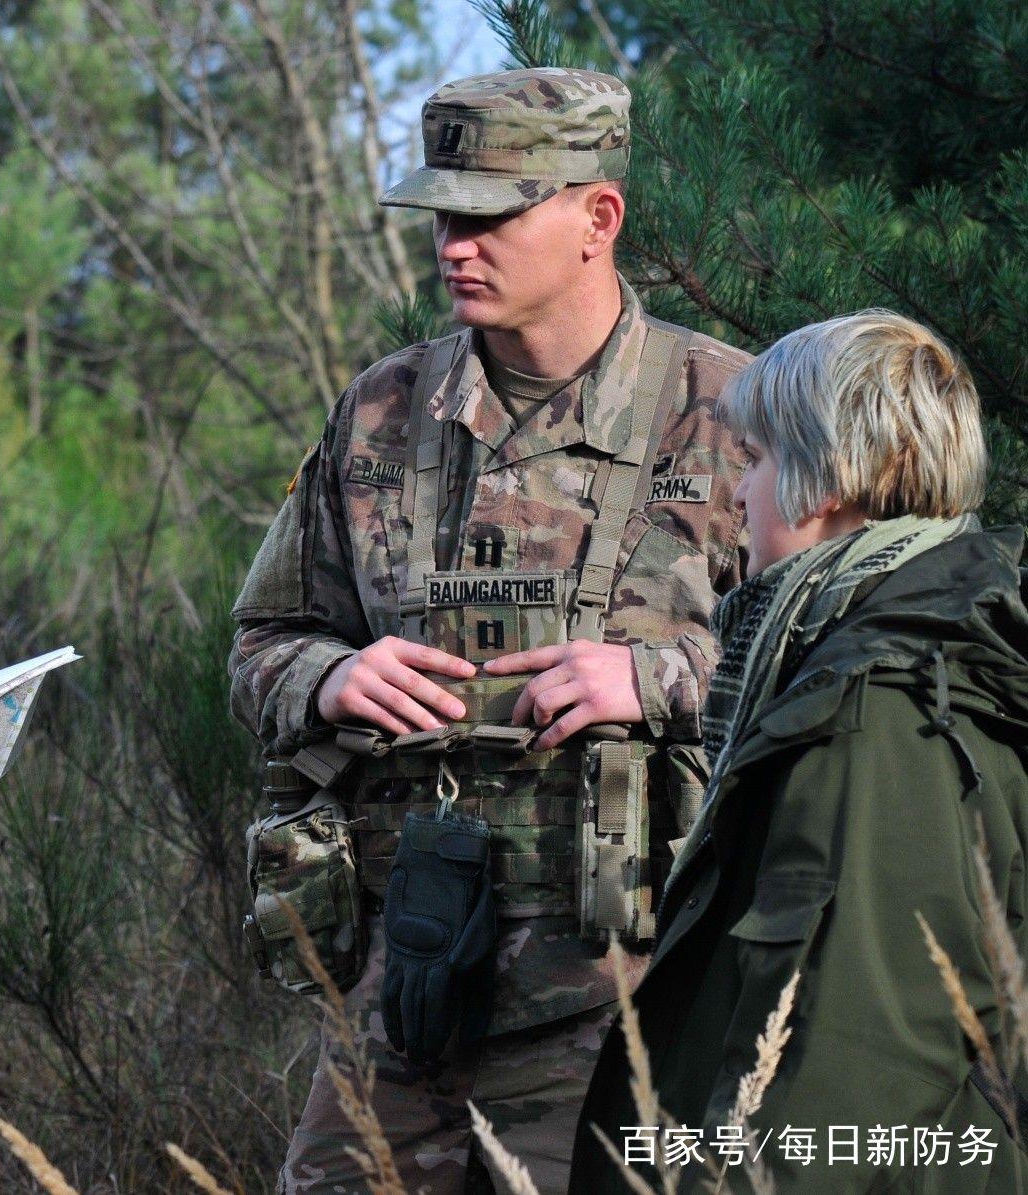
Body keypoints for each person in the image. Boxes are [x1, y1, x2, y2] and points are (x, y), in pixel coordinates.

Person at [230, 68, 750, 1192]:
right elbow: (262, 639)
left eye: (491, 214)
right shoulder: (383, 408)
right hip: (407, 981)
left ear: (596, 218)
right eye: (443, 218)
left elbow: (835, 673)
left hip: (630, 996)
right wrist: (330, 678)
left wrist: (657, 679)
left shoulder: (735, 417)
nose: (455, 243)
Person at [573, 310, 1028, 1192]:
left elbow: (851, 1054)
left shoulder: (879, 703)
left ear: (823, 483)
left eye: (755, 462)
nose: (738, 495)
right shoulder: (878, 655)